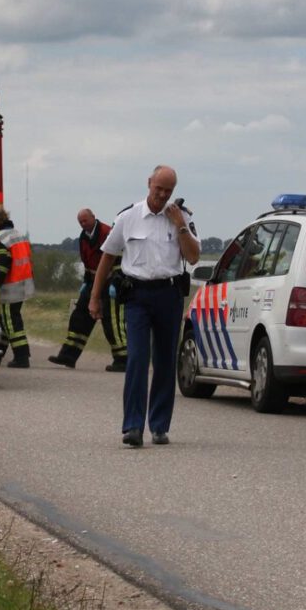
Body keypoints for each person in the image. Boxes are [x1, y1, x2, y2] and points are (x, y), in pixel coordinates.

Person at [90, 165, 200, 447]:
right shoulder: (128, 217)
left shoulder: (182, 217)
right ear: (149, 183)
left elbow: (194, 256)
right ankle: (133, 427)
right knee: (138, 359)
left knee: (164, 362)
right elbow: (107, 257)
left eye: (168, 191)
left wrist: (181, 226)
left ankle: (160, 426)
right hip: (137, 296)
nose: (162, 195)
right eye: (158, 188)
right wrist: (94, 296)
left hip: (169, 295)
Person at [49, 208, 128, 370]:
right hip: (93, 280)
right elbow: (87, 262)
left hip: (112, 280)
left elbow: (119, 257)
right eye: (80, 222)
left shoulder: (107, 232)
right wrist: (86, 282)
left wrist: (115, 282)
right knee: (79, 317)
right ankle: (68, 356)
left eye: (85, 220)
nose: (83, 224)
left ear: (93, 217)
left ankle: (123, 359)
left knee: (112, 322)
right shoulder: (83, 238)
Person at [0, 204, 35, 368]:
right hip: (24, 284)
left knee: (11, 323)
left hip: (9, 287)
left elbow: (2, 265)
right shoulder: (19, 235)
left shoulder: (1, 238)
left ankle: (22, 357)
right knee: (4, 322)